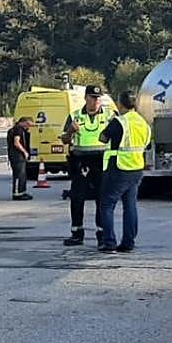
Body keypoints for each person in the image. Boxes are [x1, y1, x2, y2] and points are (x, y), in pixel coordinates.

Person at [97, 91, 152, 253]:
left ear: (121, 104)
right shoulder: (144, 123)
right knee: (130, 206)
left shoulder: (119, 122)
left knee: (107, 204)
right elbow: (146, 144)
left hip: (118, 168)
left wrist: (108, 123)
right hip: (136, 169)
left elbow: (103, 138)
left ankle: (109, 242)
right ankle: (128, 242)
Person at [61, 84, 114, 245]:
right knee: (77, 198)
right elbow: (64, 140)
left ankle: (102, 234)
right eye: (93, 97)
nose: (96, 101)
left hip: (101, 161)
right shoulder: (75, 115)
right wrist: (70, 131)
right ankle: (77, 233)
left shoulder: (110, 115)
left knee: (102, 198)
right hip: (80, 161)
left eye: (98, 98)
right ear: (85, 98)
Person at [6, 116, 33, 200]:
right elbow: (16, 142)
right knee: (18, 175)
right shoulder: (18, 129)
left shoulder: (18, 129)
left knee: (22, 175)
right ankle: (17, 193)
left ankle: (22, 192)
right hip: (17, 155)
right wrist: (24, 152)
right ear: (23, 122)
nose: (28, 127)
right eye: (28, 124)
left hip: (17, 155)